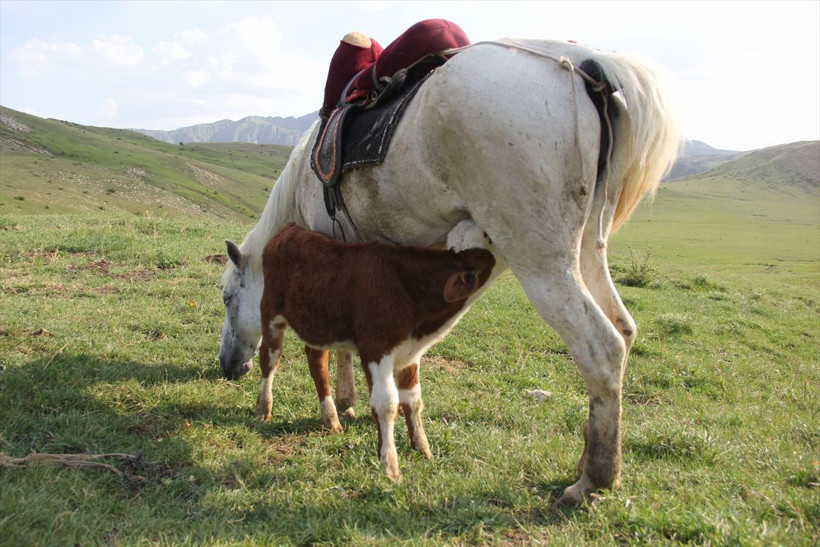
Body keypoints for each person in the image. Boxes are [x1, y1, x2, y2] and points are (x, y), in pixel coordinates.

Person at [320, 19, 470, 119]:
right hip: (455, 35)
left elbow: (363, 82)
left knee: (334, 106)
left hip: (428, 36)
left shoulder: (355, 80)